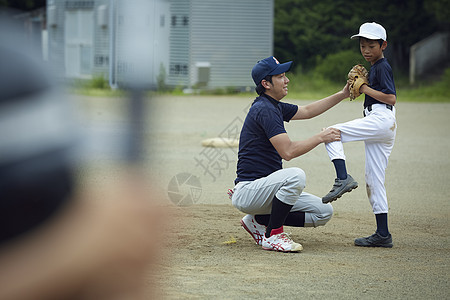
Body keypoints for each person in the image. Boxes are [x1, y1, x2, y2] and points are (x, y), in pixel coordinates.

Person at [230, 56, 351, 252]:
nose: (287, 80)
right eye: (281, 76)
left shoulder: (273, 106)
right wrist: (321, 137)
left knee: (323, 212)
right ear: (266, 83)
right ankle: (273, 235)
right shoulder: (264, 109)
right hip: (249, 191)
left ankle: (258, 220)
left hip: (264, 191)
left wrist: (343, 94)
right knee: (296, 176)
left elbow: (308, 110)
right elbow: (288, 152)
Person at [322, 22, 397, 248]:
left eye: (371, 45)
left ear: (383, 45)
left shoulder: (382, 67)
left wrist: (363, 88)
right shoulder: (375, 67)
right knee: (374, 180)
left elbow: (391, 98)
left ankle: (342, 177)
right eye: (362, 45)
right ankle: (382, 234)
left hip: (380, 119)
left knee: (330, 132)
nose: (365, 50)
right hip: (382, 124)